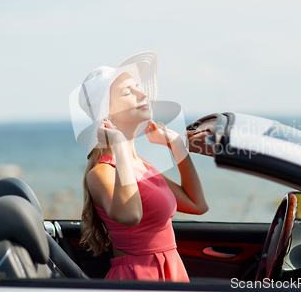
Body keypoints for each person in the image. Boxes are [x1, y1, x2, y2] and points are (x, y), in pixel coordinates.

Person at [77, 51, 208, 282]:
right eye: (129, 91)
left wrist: (176, 145)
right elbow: (131, 214)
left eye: (138, 86)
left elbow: (198, 204)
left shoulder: (142, 165)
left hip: (171, 271)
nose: (142, 93)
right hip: (137, 279)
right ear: (107, 112)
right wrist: (118, 144)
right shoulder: (101, 173)